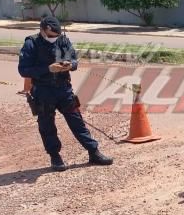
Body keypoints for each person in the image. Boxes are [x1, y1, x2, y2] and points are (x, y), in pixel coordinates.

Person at [18, 16, 113, 172]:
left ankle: (93, 152)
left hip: (63, 90)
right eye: (50, 36)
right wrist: (48, 69)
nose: (53, 39)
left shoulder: (63, 40)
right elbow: (23, 70)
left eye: (56, 36)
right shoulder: (31, 43)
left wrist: (70, 65)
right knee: (47, 126)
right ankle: (55, 157)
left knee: (77, 122)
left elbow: (74, 60)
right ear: (42, 30)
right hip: (43, 91)